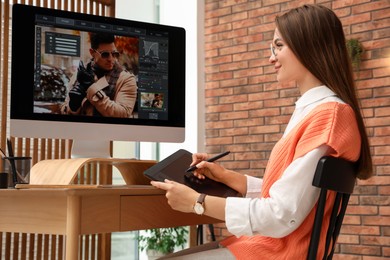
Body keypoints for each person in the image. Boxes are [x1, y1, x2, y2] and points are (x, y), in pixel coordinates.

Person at [151, 4, 372, 260]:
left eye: (278, 46)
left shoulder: (328, 116)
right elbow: (293, 195)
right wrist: (228, 176)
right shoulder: (318, 111)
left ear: (307, 46)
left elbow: (282, 214)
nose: (271, 57)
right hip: (271, 247)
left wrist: (196, 203)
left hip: (278, 252)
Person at [61, 33, 137, 117]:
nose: (111, 59)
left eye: (114, 53)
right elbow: (64, 110)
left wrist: (92, 87)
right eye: (105, 54)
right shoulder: (79, 74)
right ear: (92, 52)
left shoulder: (126, 79)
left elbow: (122, 114)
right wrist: (73, 107)